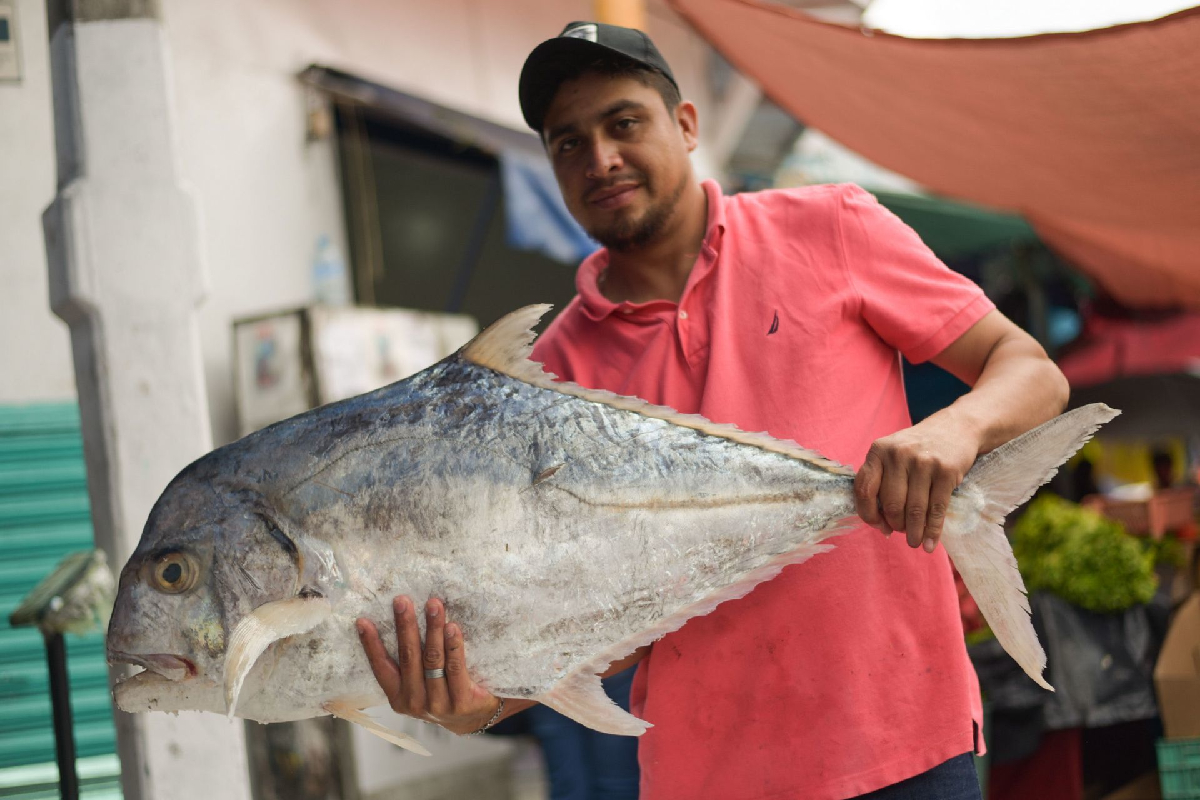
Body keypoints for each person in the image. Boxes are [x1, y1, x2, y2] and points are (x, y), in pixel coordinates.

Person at [356, 21, 1070, 800]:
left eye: (623, 122)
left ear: (687, 125)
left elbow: (1029, 369)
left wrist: (956, 429)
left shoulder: (830, 228)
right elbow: (596, 625)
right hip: (710, 777)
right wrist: (478, 706)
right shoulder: (545, 374)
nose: (600, 158)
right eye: (568, 143)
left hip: (904, 742)